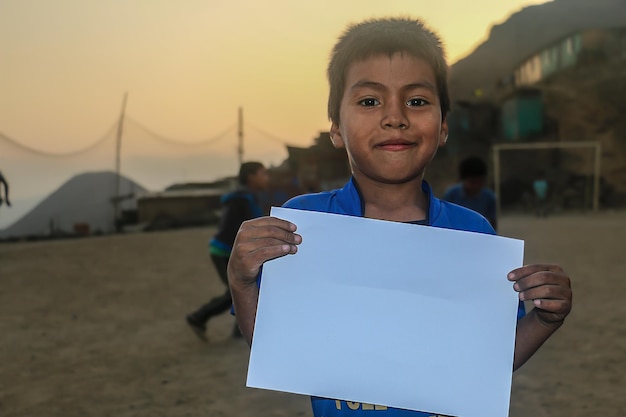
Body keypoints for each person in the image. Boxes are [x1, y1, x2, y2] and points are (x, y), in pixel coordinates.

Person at [227, 17, 572, 416]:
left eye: (417, 101)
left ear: (443, 127)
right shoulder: (302, 225)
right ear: (336, 128)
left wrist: (545, 319)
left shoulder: (472, 233)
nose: (396, 116)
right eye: (370, 101)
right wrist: (241, 282)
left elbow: (486, 363)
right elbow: (279, 348)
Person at [186, 161, 269, 341]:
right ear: (251, 176)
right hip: (225, 252)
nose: (266, 178)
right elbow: (243, 229)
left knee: (244, 288)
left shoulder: (247, 197)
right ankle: (198, 317)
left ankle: (238, 330)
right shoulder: (242, 199)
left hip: (229, 250)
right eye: (263, 174)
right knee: (237, 290)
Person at [443, 156, 497, 230]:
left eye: (480, 182)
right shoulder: (452, 195)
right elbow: (445, 220)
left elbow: (493, 223)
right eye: (473, 182)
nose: (476, 186)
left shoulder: (489, 198)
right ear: (463, 180)